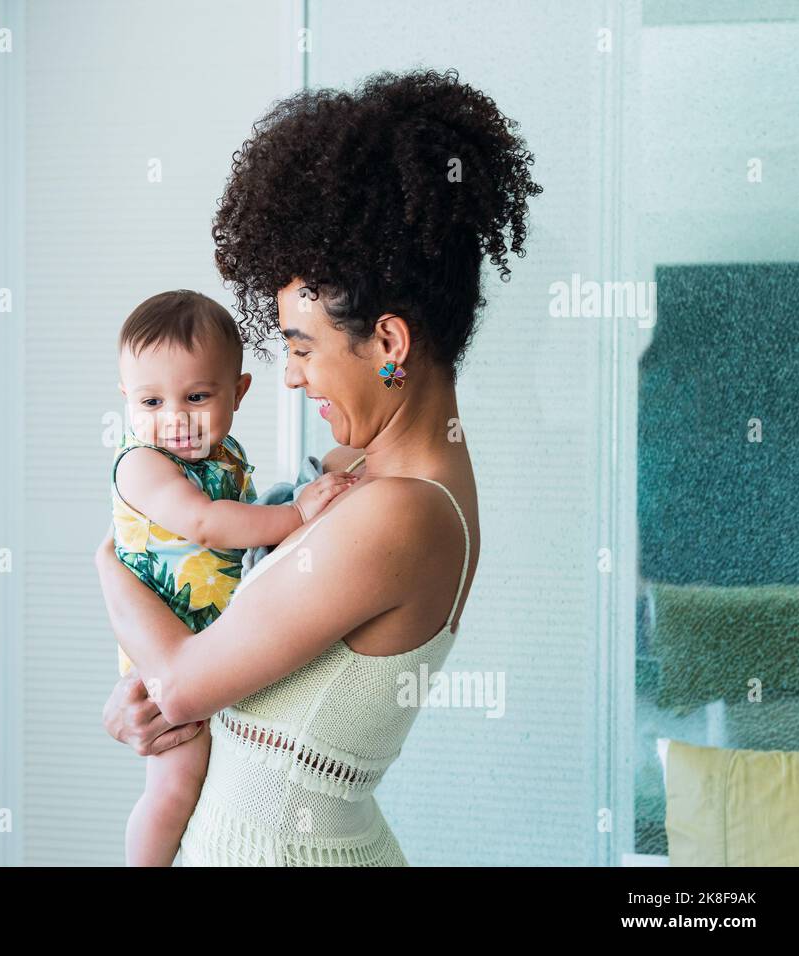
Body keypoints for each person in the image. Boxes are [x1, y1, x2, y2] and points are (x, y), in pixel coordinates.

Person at [94, 67, 541, 865]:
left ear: (391, 344)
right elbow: (208, 682)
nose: (291, 374)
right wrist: (140, 708)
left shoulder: (401, 511)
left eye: (301, 347)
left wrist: (106, 571)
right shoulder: (360, 475)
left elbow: (188, 681)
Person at [108, 289, 357, 865]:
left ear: (238, 392)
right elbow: (207, 523)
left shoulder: (222, 454)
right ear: (126, 401)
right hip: (167, 636)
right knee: (175, 780)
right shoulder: (143, 465)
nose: (174, 419)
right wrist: (296, 513)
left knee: (219, 767)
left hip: (211, 636)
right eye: (150, 402)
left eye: (196, 396)